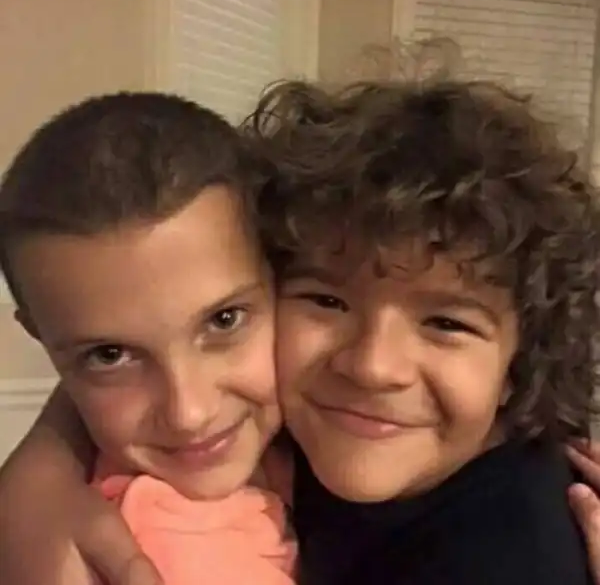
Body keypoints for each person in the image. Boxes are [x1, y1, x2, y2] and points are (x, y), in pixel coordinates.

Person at [2, 70, 600, 584]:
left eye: (446, 323)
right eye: (327, 301)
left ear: (524, 358)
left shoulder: (515, 554)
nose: (372, 366)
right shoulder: (301, 422)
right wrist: (37, 477)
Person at [0, 92, 295, 585]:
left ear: (285, 274)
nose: (189, 413)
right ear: (42, 340)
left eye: (224, 320)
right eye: (110, 355)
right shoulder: (162, 553)